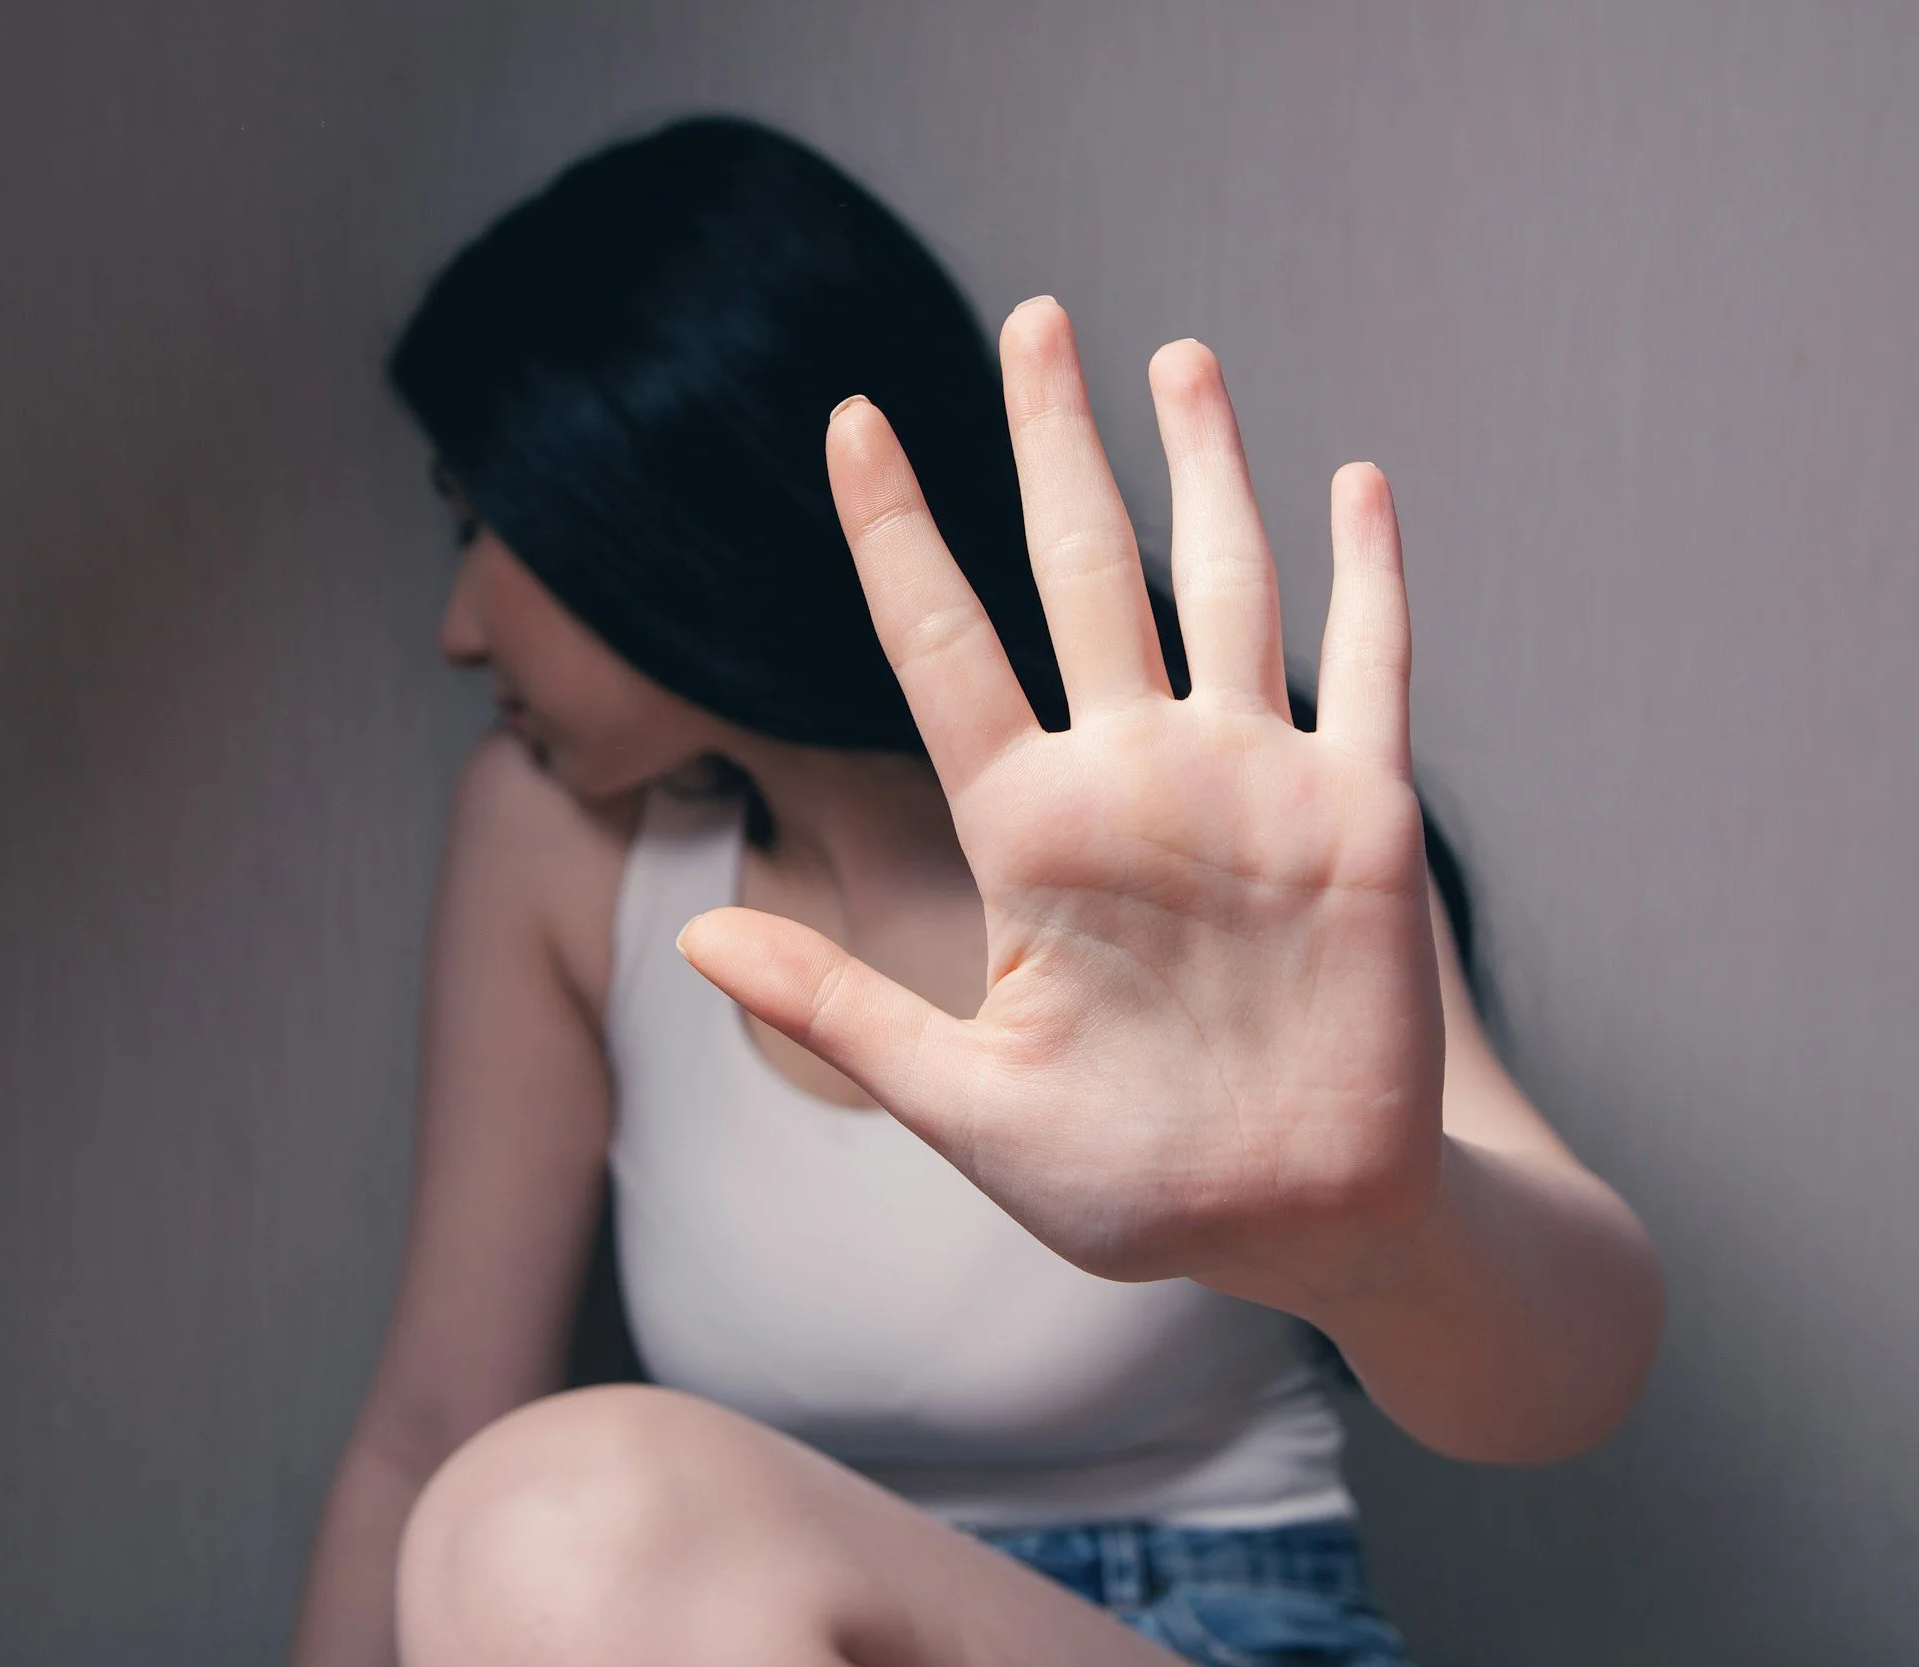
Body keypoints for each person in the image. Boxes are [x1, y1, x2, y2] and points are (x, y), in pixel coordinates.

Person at [288, 114, 1663, 1667]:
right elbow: (427, 1428)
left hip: (1219, 1629)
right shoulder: (554, 841)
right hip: (704, 1618)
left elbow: (1572, 1374)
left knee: (563, 1517)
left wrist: (1380, 1233)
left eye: (487, 529)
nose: (460, 627)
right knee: (537, 1524)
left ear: (666, 504)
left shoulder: (1212, 825)